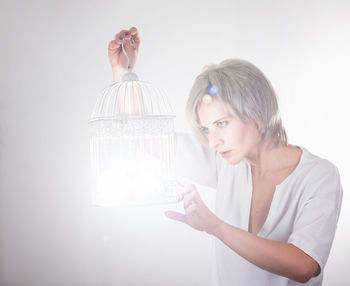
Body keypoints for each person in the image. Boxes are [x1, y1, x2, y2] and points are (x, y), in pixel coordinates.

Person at [108, 27, 343, 285]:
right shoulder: (225, 162)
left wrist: (215, 226)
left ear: (257, 110)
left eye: (221, 123)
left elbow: (303, 265)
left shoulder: (319, 176)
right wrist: (123, 74)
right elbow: (147, 137)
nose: (213, 141)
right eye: (206, 129)